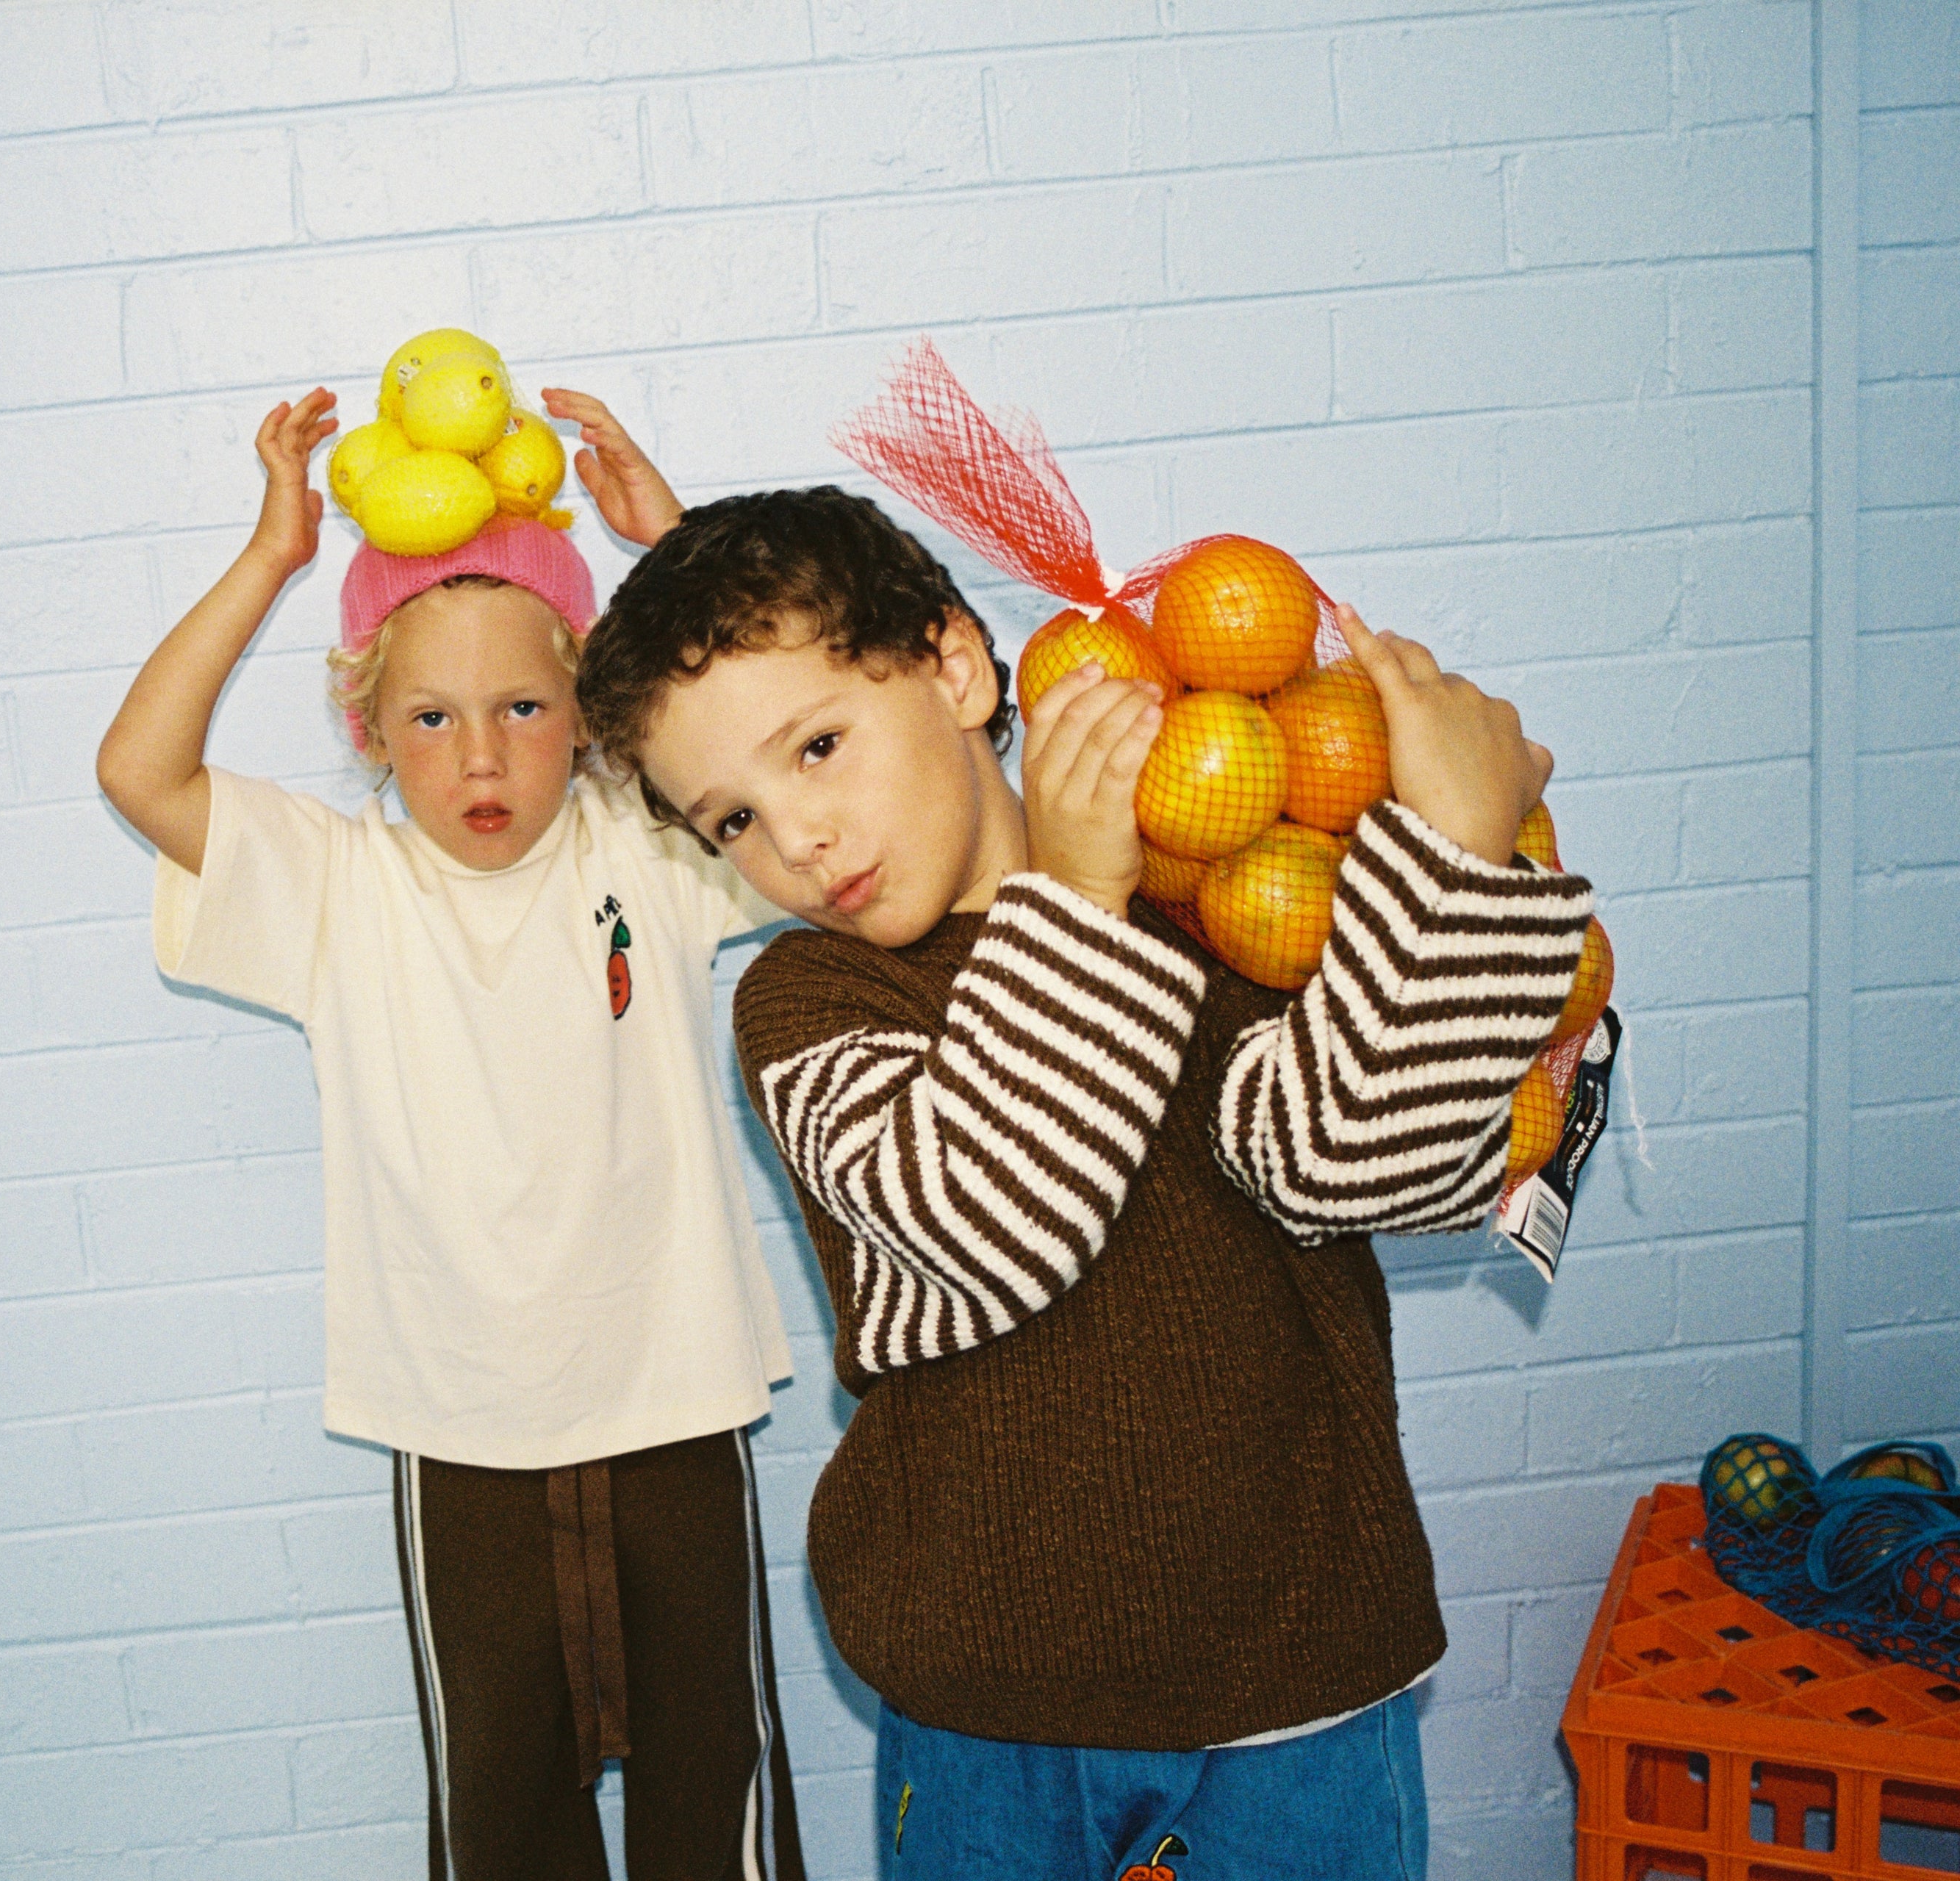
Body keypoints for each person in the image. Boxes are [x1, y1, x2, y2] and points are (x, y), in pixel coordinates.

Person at [572, 486, 1595, 1880]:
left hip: (1301, 1688)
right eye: (732, 820)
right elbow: (986, 1223)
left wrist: (1459, 861)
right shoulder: (814, 1001)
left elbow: (1359, 1160)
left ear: (953, 665)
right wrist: (1078, 899)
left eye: (818, 747)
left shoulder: (1224, 908)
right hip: (989, 1716)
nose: (794, 840)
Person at [95, 387, 803, 1881]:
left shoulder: (653, 849)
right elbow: (139, 772)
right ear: (368, 726)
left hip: (674, 1399)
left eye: (524, 708)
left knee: (713, 1814)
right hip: (460, 1432)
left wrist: (671, 550)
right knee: (507, 1830)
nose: (481, 758)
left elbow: (791, 744)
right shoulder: (337, 887)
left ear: (591, 714)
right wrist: (271, 554)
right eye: (431, 716)